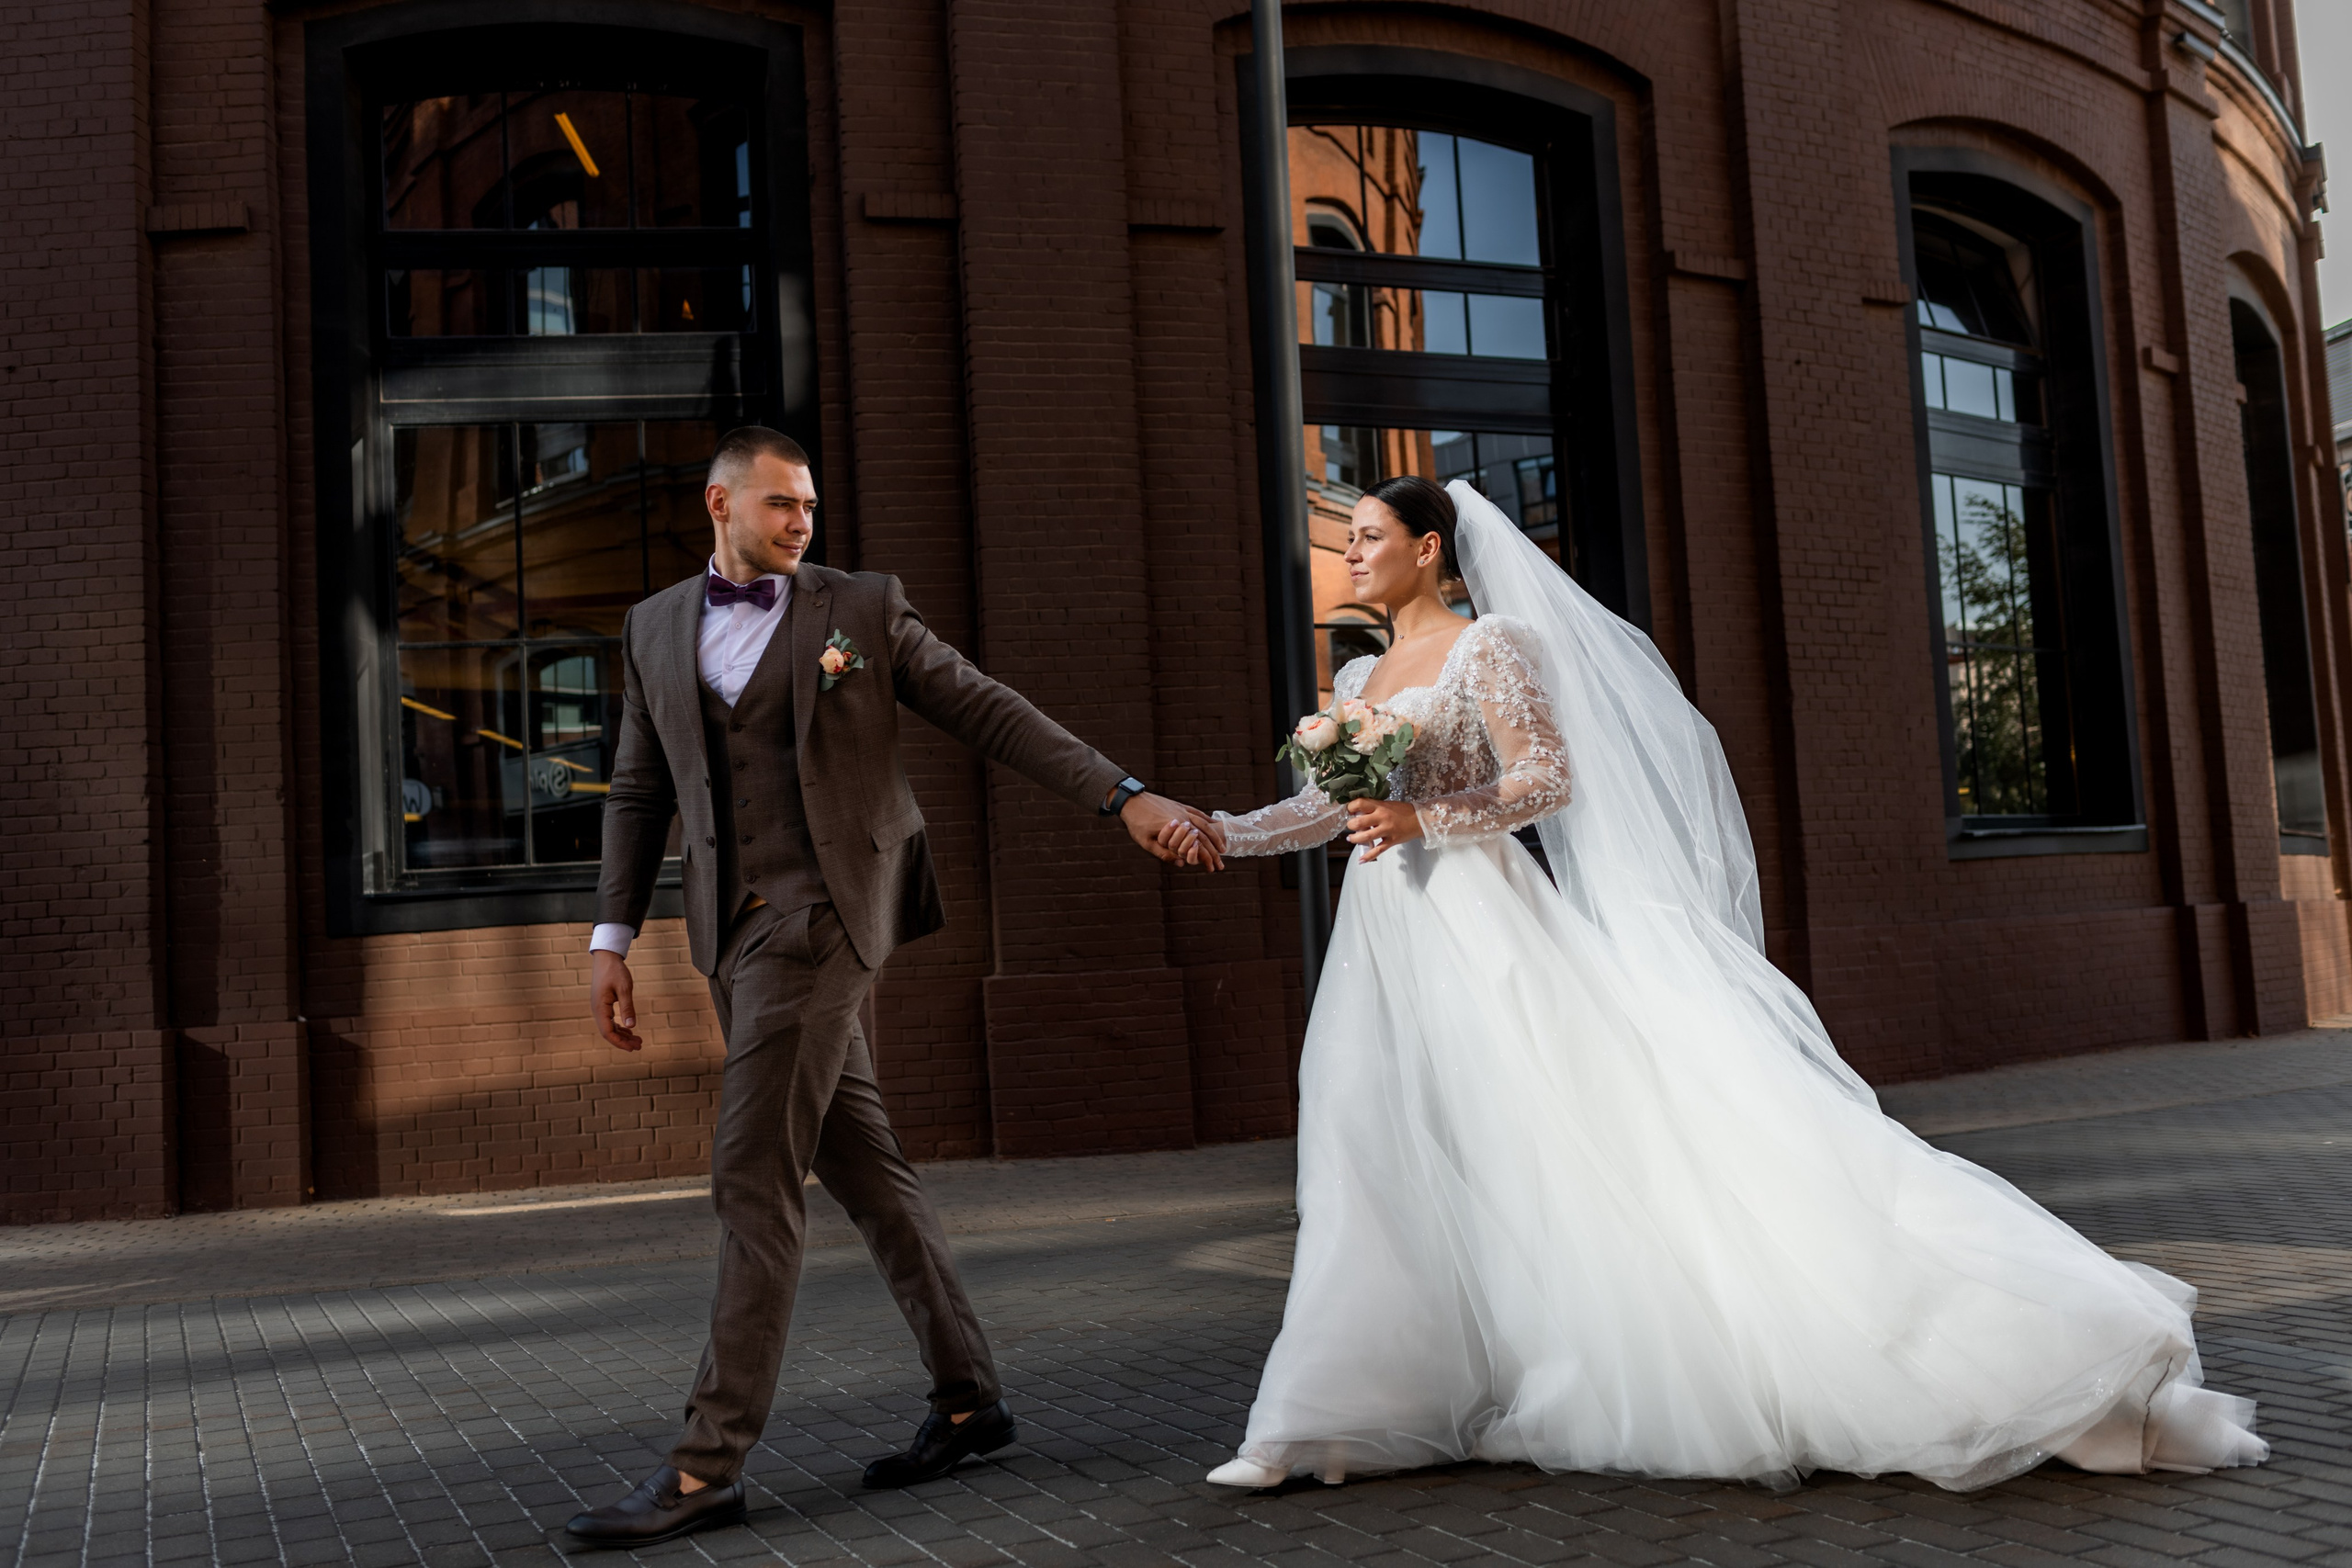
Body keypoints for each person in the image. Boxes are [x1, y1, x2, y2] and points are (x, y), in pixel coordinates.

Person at [1163, 474, 2266, 1493]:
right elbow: (1321, 809)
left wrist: (1423, 816)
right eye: (1349, 539)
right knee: (1373, 1148)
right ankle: (1339, 1416)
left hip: (1482, 922)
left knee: (1538, 1147)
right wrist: (1221, 831)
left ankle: (1339, 1418)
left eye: (1369, 536)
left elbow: (1545, 778)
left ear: (1427, 548)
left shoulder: (1488, 645)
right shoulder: (1358, 678)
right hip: (1383, 940)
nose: (1350, 553)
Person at [567, 426, 1221, 1548]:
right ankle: (968, 1399)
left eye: (809, 506)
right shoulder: (652, 626)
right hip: (730, 931)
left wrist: (1125, 796)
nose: (802, 522)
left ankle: (705, 1465)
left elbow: (989, 708)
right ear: (719, 504)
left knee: (751, 1178)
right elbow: (637, 788)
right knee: (865, 1169)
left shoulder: (860, 610)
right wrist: (609, 936)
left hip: (826, 917)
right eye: (781, 504)